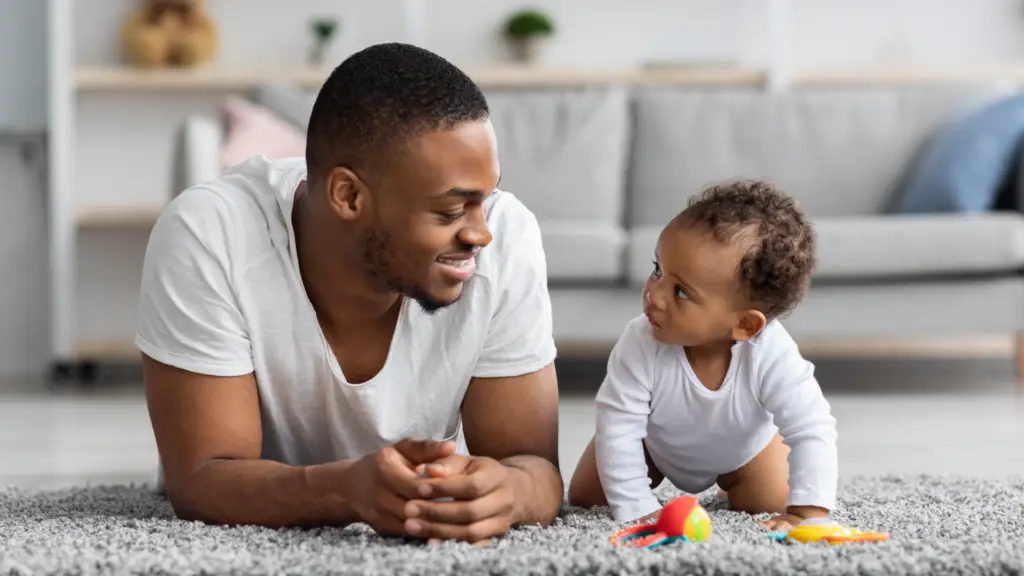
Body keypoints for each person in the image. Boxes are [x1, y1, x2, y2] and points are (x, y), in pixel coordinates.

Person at [135, 43, 563, 544]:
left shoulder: (507, 236)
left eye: (483, 201)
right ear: (349, 196)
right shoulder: (211, 233)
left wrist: (506, 492)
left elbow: (536, 468)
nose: (479, 233)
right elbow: (203, 477)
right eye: (450, 212)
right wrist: (344, 490)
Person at [567, 181, 838, 531]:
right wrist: (637, 508)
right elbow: (618, 425)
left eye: (680, 291)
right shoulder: (640, 341)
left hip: (743, 452)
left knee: (770, 500)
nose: (654, 294)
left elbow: (812, 426)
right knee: (587, 496)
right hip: (653, 447)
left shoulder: (771, 353)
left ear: (744, 324)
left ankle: (734, 485)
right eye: (658, 269)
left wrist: (806, 514)